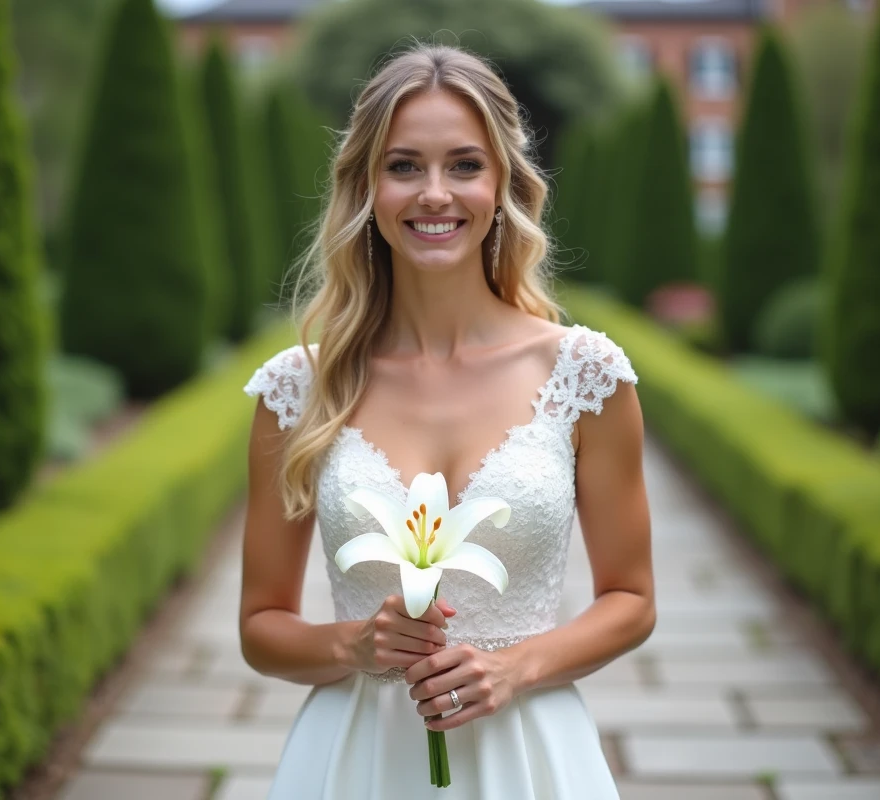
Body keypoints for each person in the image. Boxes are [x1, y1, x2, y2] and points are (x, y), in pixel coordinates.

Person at [241, 43, 655, 798]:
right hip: (356, 758)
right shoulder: (300, 389)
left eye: (464, 165)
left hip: (527, 751)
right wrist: (354, 643)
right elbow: (260, 626)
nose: (435, 193)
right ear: (367, 186)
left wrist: (516, 665)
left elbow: (632, 600)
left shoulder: (583, 377)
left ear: (502, 184)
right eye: (404, 166)